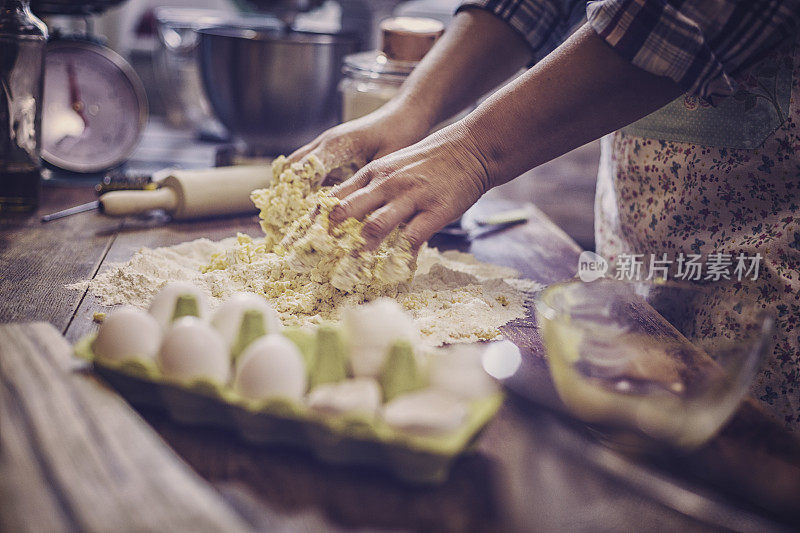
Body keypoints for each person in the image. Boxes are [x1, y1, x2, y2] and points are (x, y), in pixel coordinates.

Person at [289, 0, 800, 429]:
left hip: (771, 289)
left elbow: (671, 20)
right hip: (639, 258)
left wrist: (472, 152)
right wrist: (413, 108)